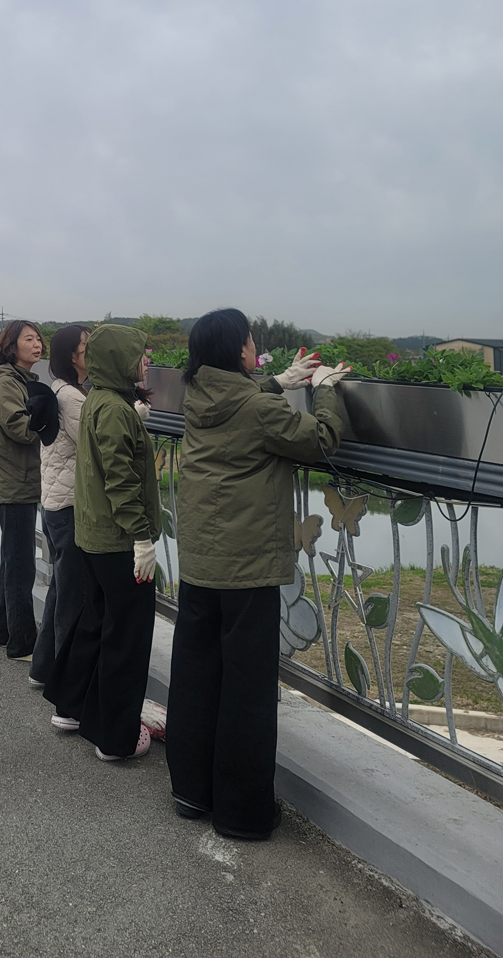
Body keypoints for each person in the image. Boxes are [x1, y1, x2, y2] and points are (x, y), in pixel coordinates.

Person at [165, 310, 346, 840]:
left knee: (196, 676)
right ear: (238, 351)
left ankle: (191, 791)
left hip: (201, 560)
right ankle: (242, 814)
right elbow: (322, 439)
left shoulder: (196, 394)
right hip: (247, 567)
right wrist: (323, 388)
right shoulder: (259, 408)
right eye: (249, 340)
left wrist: (279, 380)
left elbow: (240, 399)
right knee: (247, 690)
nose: (253, 346)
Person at [45, 324, 160, 762]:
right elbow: (121, 480)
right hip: (118, 540)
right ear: (118, 359)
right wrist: (142, 538)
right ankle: (116, 736)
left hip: (94, 534)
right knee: (126, 637)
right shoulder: (114, 409)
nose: (146, 361)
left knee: (94, 622)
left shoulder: (98, 398)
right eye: (139, 354)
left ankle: (72, 707)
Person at [29, 324, 91, 690]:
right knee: (72, 595)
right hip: (69, 504)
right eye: (86, 346)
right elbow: (95, 444)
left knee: (61, 589)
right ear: (72, 355)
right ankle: (67, 681)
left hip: (55, 502)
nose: (91, 353)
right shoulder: (73, 398)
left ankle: (43, 668)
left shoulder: (58, 389)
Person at [0, 320, 47, 661]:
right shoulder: (7, 382)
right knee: (21, 565)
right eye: (29, 339)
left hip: (17, 480)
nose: (37, 344)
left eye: (38, 338)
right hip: (14, 483)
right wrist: (51, 421)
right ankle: (22, 644)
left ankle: (7, 633)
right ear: (12, 346)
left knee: (13, 561)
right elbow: (19, 428)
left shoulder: (19, 379)